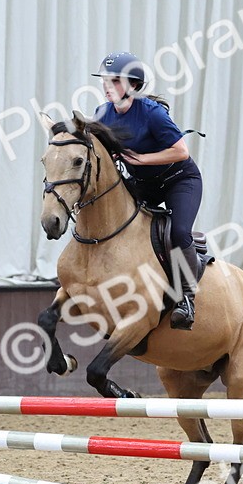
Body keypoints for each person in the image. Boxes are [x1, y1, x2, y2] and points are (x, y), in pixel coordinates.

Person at [91, 51, 203, 330]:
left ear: (134, 86)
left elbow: (181, 151)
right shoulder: (102, 114)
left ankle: (186, 299)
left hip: (179, 180)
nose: (108, 87)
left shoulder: (152, 114)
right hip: (144, 184)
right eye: (105, 81)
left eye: (115, 81)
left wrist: (140, 159)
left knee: (178, 232)